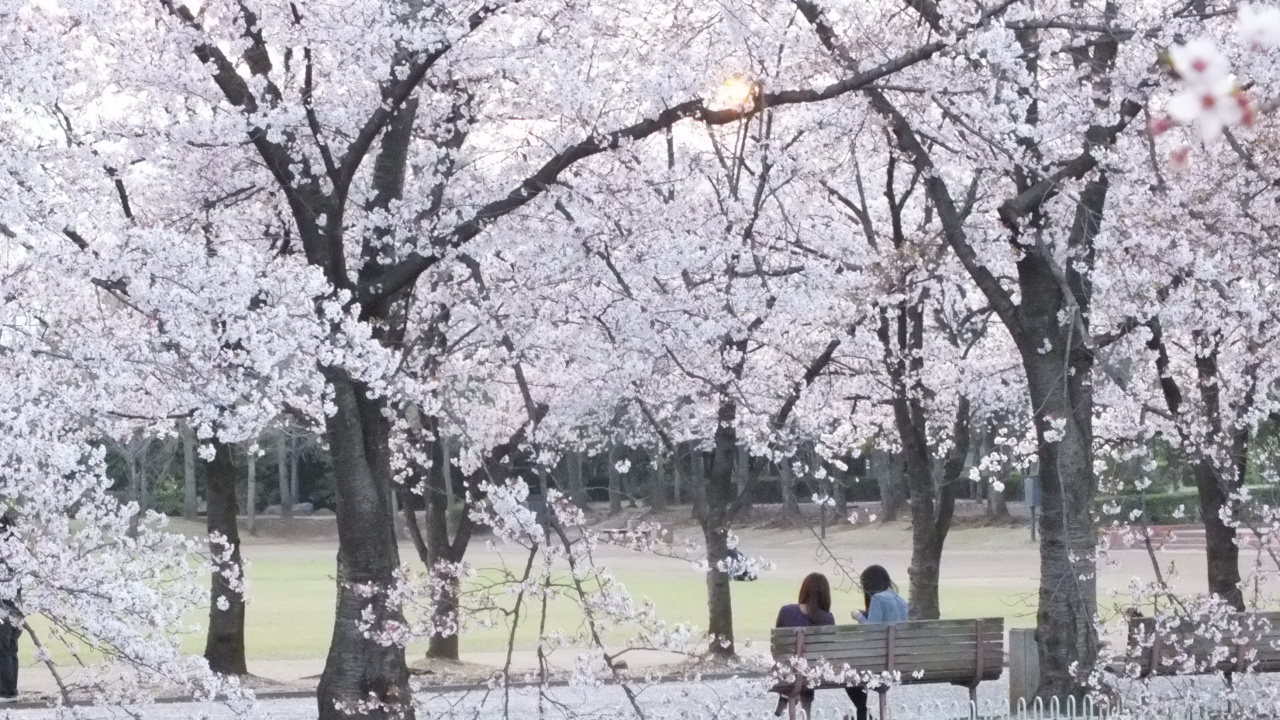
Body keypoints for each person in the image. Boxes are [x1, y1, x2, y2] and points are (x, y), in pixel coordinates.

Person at [846, 565, 908, 720]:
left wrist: (858, 616)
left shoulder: (878, 598)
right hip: (898, 662)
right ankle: (864, 713)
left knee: (848, 673)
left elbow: (871, 630)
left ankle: (862, 711)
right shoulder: (901, 600)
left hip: (880, 664)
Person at [773, 573, 834, 717]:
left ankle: (785, 697)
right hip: (814, 672)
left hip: (787, 670)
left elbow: (777, 646)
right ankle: (807, 711)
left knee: (796, 664)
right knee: (810, 664)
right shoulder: (827, 618)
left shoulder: (786, 611)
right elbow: (828, 651)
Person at [0, 513, 19, 703]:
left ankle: (6, 691)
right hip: (15, 604)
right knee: (10, 648)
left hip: (5, 604)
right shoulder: (16, 550)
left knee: (4, 648)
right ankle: (10, 690)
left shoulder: (6, 553)